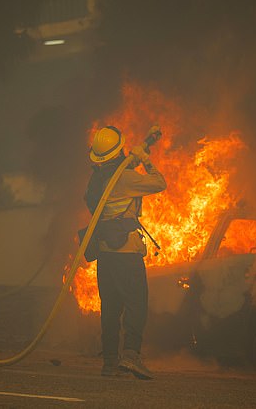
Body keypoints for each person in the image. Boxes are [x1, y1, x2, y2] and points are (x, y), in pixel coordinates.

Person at [84, 125, 166, 379]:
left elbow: (118, 179)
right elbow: (159, 183)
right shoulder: (125, 178)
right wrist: (145, 159)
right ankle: (131, 355)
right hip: (127, 252)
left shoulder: (97, 180)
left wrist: (136, 157)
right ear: (119, 149)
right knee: (136, 303)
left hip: (106, 253)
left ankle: (109, 361)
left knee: (110, 307)